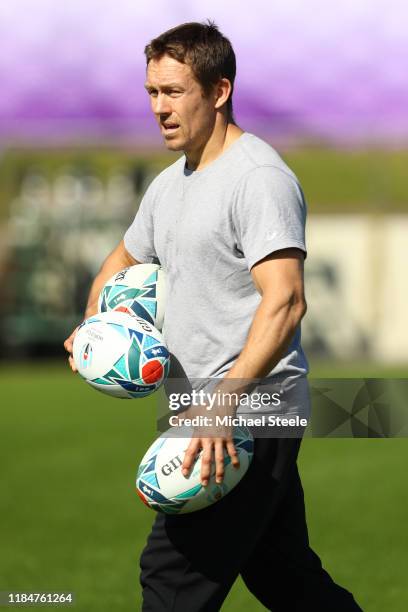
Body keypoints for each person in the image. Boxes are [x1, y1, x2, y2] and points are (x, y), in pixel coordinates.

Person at [64, 20, 363, 612]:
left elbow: (286, 300)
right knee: (283, 576)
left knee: (172, 577)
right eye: (152, 93)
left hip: (248, 407)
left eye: (174, 93)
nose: (159, 108)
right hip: (193, 404)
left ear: (219, 90)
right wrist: (92, 325)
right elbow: (122, 260)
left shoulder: (258, 179)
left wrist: (223, 404)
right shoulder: (170, 184)